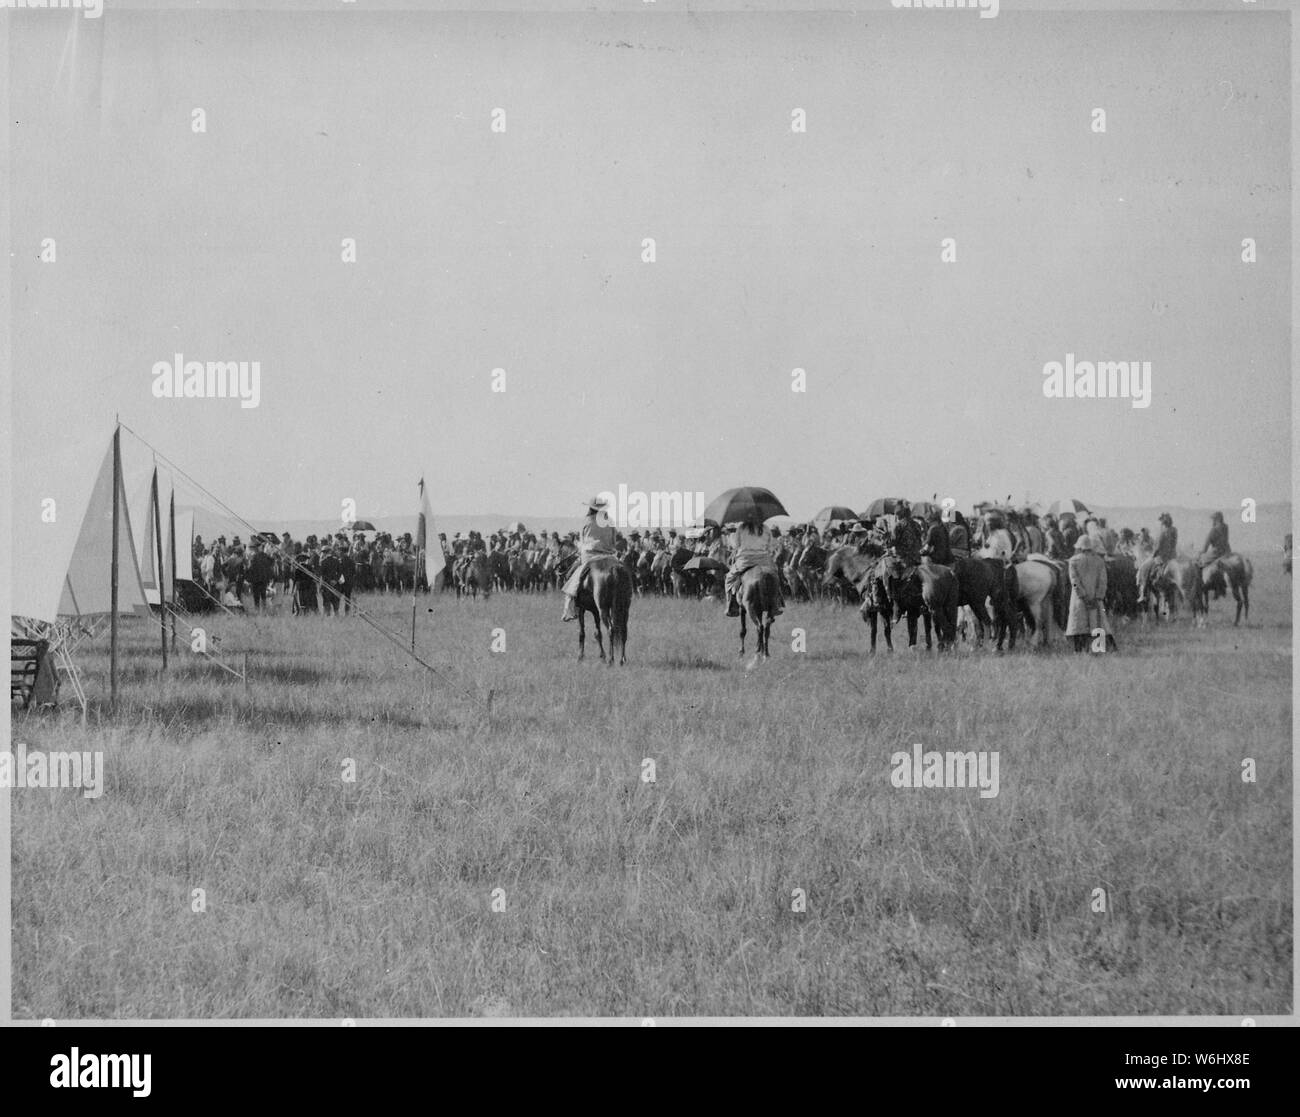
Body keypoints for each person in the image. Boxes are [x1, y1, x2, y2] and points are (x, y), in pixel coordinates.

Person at [561, 496, 618, 621]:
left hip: (590, 555)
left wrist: (581, 546)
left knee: (573, 578)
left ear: (591, 508)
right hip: (610, 556)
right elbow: (614, 542)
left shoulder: (586, 521)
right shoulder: (610, 521)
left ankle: (570, 610)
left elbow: (582, 541)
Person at [724, 512, 783, 617]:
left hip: (745, 560)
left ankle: (731, 606)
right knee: (775, 575)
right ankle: (776, 603)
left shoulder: (741, 527)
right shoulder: (765, 528)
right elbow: (770, 546)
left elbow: (736, 545)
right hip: (764, 560)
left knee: (729, 578)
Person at [1065, 536, 1113, 652]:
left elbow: (1074, 582)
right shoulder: (1099, 561)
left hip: (1079, 599)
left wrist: (1082, 595)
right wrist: (1098, 597)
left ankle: (1079, 650)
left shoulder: (1073, 561)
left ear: (1080, 547)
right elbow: (1103, 581)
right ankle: (1098, 649)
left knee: (1078, 624)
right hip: (1096, 599)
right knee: (1098, 623)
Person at [1136, 513, 1177, 605]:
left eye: (1161, 521)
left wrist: (1153, 555)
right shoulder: (1174, 530)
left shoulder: (1162, 533)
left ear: (1163, 522)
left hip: (1161, 557)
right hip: (1172, 557)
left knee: (1144, 567)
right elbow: (1174, 544)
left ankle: (1143, 594)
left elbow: (1157, 547)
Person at [247, 539, 275, 611]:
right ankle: (264, 610)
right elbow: (272, 562)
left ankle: (257, 610)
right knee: (263, 595)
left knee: (256, 596)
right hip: (264, 579)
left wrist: (249, 579)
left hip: (256, 580)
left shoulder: (253, 557)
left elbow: (250, 568)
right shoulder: (265, 555)